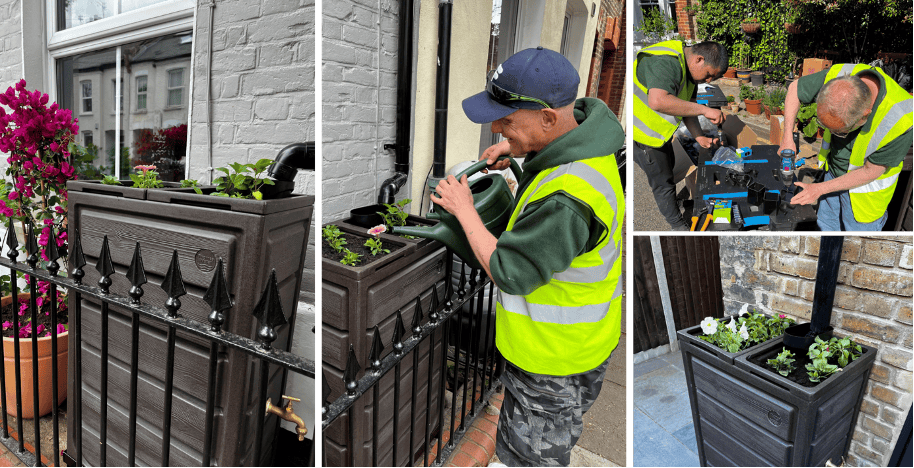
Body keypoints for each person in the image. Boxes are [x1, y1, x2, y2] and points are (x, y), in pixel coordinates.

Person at [429, 47, 624, 467]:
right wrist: (521, 152)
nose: (497, 127)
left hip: (551, 362)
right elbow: (556, 163)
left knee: (530, 458)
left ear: (548, 118)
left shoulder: (568, 196)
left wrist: (464, 210)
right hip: (585, 345)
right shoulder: (586, 144)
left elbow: (510, 271)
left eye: (507, 119)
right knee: (559, 435)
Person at [779, 64, 913, 231]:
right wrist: (787, 137)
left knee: (855, 247)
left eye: (840, 132)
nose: (832, 134)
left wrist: (819, 188)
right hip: (832, 176)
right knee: (826, 232)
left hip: (865, 197)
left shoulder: (901, 118)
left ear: (865, 114)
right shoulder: (837, 75)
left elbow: (871, 171)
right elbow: (794, 89)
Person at [632, 40, 728, 231]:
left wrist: (699, 137)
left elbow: (686, 109)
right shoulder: (665, 62)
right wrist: (703, 110)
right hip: (643, 136)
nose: (708, 81)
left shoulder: (689, 71)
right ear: (699, 59)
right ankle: (678, 226)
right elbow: (658, 101)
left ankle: (673, 206)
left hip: (659, 134)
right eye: (709, 75)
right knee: (663, 183)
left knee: (670, 168)